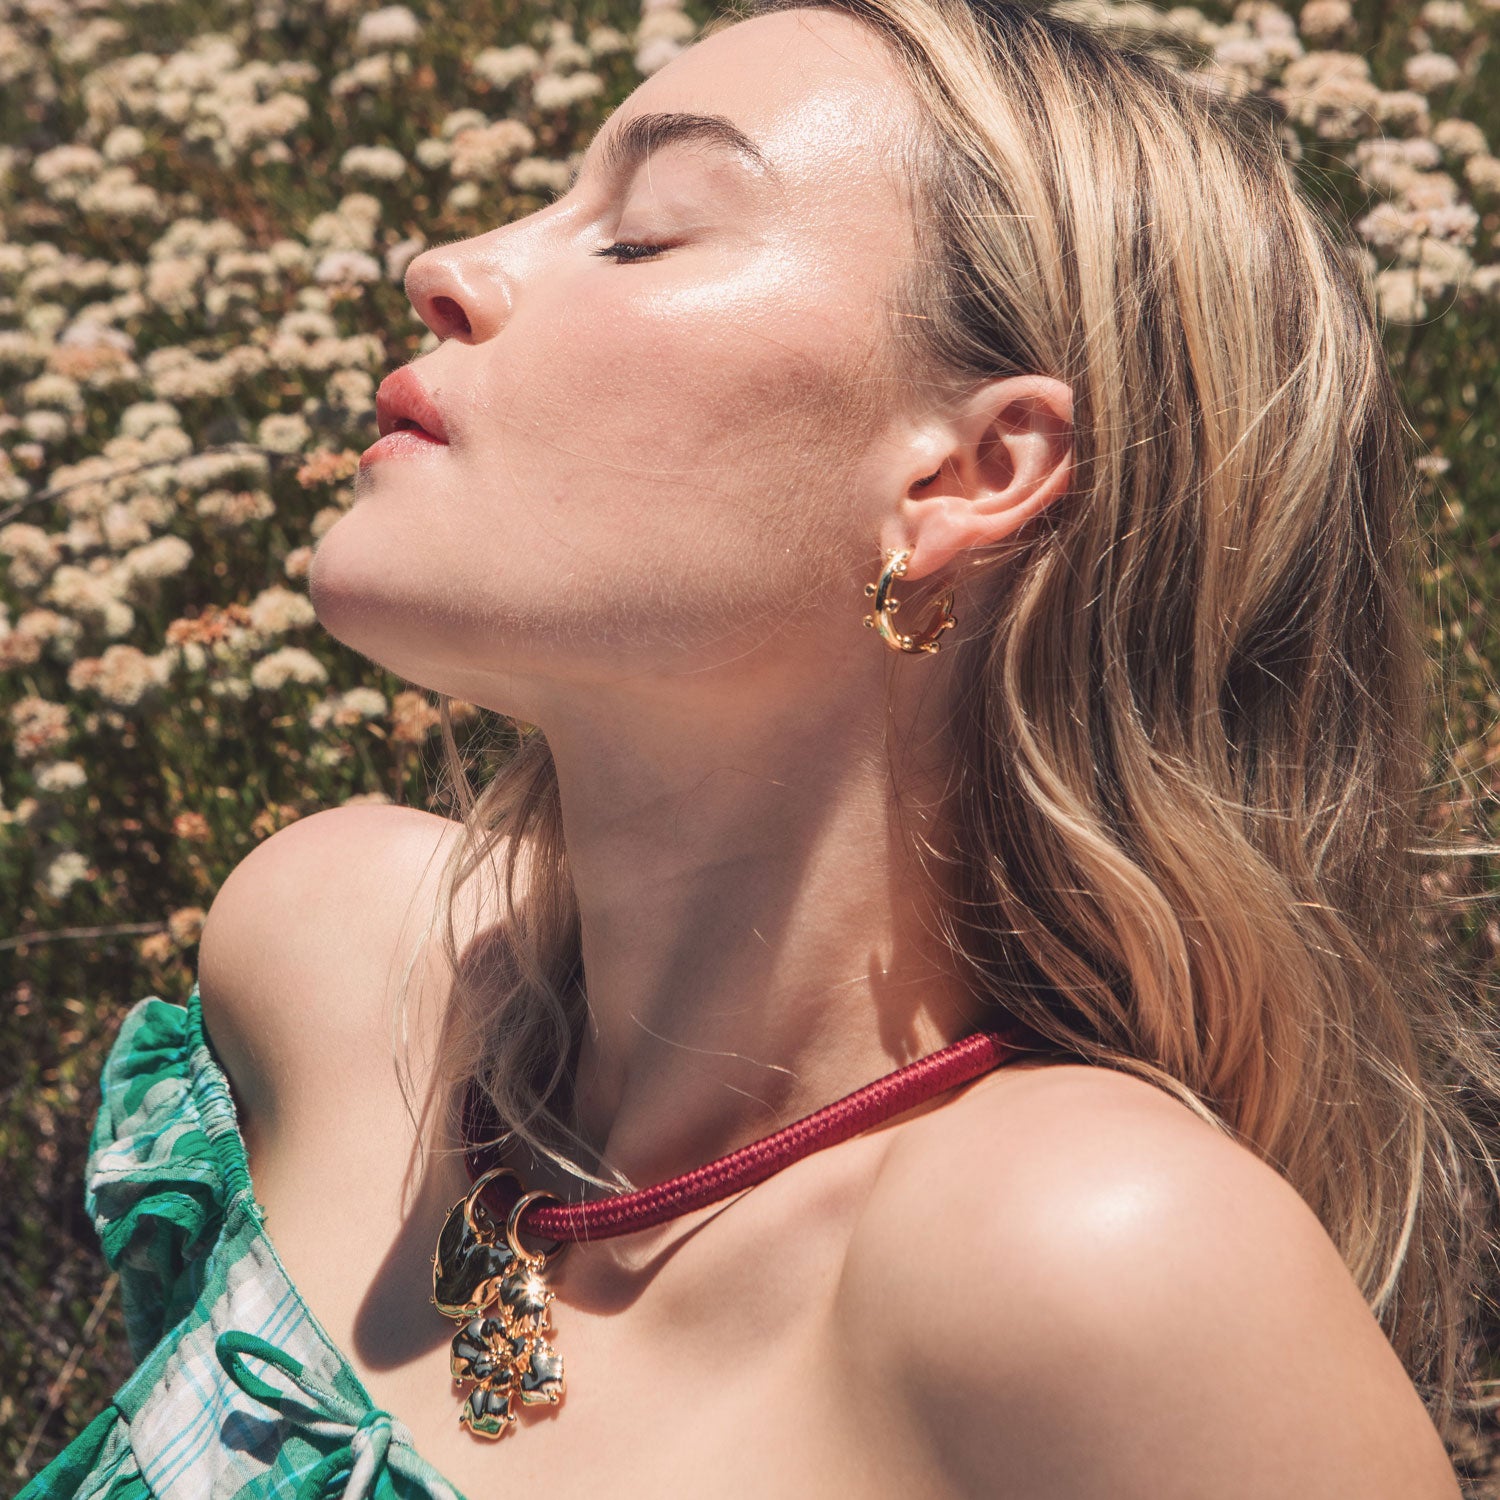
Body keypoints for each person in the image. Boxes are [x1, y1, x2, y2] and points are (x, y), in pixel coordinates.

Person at [23, 0, 1496, 1494]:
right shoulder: (328, 966)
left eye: (646, 234)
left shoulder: (1099, 1261)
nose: (443, 270)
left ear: (970, 474)